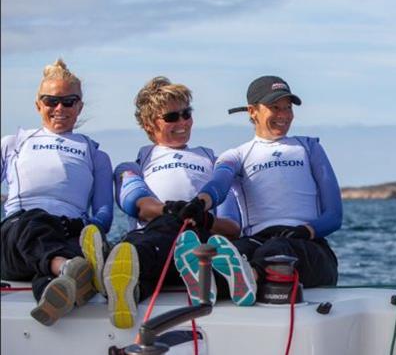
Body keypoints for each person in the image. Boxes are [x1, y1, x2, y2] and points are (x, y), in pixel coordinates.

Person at [178, 75, 342, 296]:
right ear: (252, 111)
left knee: (277, 250)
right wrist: (200, 203)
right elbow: (219, 183)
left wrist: (305, 231)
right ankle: (213, 279)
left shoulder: (309, 147)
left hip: (309, 246)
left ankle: (246, 277)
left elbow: (334, 215)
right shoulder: (236, 155)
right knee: (238, 250)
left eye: (288, 108)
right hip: (258, 241)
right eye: (275, 107)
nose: (284, 115)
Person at [107, 76, 247, 329]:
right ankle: (126, 290)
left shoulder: (213, 161)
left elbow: (234, 227)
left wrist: (202, 217)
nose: (182, 122)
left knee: (148, 245)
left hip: (201, 237)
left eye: (186, 113)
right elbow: (136, 204)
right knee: (161, 229)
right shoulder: (134, 165)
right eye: (172, 117)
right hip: (160, 242)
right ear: (150, 124)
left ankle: (127, 276)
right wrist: (172, 209)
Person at [1, 59, 113, 326]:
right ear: (38, 104)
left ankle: (56, 293)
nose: (59, 108)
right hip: (18, 235)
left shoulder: (95, 154)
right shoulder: (14, 143)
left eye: (68, 101)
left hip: (65, 232)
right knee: (33, 222)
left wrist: (89, 229)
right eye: (51, 101)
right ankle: (66, 268)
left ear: (79, 106)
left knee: (65, 244)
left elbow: (104, 213)